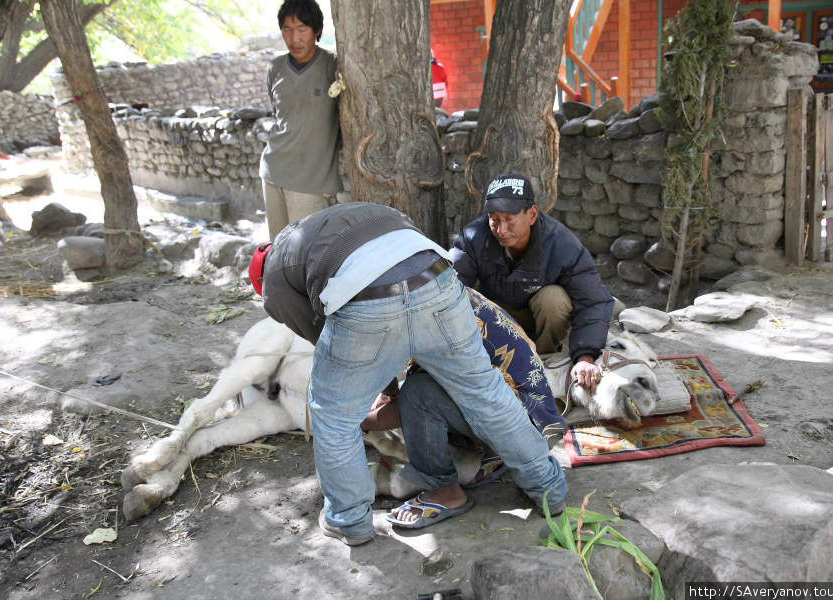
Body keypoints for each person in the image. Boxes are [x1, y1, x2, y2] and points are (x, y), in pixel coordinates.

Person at [249, 202, 567, 546]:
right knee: (482, 390)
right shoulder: (340, 218)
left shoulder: (275, 278)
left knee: (334, 415)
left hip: (365, 300)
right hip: (437, 279)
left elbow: (322, 333)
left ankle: (349, 520)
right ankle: (548, 486)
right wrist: (387, 386)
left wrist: (372, 389)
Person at [359, 287, 568, 529]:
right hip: (536, 411)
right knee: (424, 389)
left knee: (418, 394)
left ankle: (445, 493)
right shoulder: (442, 295)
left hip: (524, 425)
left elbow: (418, 400)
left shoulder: (432, 328)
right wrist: (389, 392)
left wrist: (362, 422)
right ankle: (498, 456)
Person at [451, 173, 614, 394]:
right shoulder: (473, 236)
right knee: (466, 301)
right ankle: (495, 361)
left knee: (554, 299)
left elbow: (593, 301)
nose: (501, 229)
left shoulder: (561, 243)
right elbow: (451, 289)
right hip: (497, 316)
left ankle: (544, 360)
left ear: (532, 214)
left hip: (542, 321)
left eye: (509, 219)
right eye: (495, 219)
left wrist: (585, 357)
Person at [259, 0, 342, 240]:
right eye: (287, 29)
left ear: (316, 30)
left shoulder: (332, 66)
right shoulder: (275, 68)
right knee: (279, 250)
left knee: (307, 254)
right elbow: (279, 115)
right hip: (273, 171)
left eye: (302, 29)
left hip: (312, 182)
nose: (294, 38)